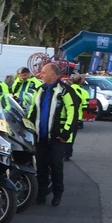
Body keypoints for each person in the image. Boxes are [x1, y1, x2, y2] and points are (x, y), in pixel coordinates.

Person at [26, 61, 77, 206]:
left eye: (43, 72)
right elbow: (33, 110)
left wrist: (65, 133)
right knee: (41, 166)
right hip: (40, 136)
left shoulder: (65, 91)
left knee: (56, 166)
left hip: (57, 137)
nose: (40, 75)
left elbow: (73, 113)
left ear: (52, 75)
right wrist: (27, 126)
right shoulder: (40, 90)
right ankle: (41, 194)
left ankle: (57, 193)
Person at [64, 74, 88, 160]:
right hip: (77, 117)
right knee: (71, 136)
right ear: (80, 82)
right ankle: (68, 154)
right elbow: (85, 106)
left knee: (63, 134)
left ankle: (62, 152)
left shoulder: (66, 89)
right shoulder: (83, 92)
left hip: (64, 116)